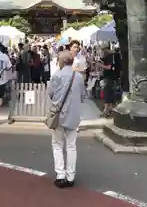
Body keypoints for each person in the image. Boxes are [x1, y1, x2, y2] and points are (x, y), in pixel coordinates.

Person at [48, 51, 84, 189]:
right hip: (74, 116)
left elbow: (51, 94)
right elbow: (82, 96)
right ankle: (71, 176)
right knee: (71, 146)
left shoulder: (57, 75)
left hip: (59, 115)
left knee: (57, 144)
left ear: (62, 61)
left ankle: (60, 175)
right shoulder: (79, 77)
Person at [96, 45, 115, 117]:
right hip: (108, 77)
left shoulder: (109, 56)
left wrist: (100, 65)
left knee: (107, 92)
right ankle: (110, 108)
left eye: (101, 50)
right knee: (109, 92)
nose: (101, 52)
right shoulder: (106, 57)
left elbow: (108, 67)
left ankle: (106, 109)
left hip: (108, 77)